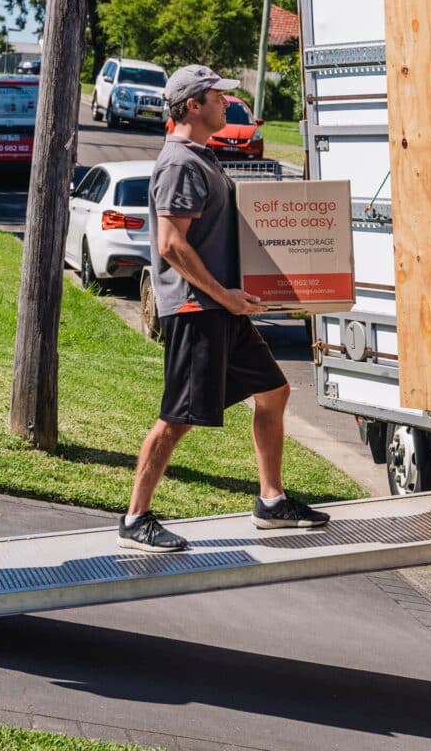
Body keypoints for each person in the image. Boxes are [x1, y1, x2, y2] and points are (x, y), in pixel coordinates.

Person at [117, 65, 330, 552]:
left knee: (273, 391)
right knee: (178, 417)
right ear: (192, 106)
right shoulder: (180, 164)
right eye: (216, 96)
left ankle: (272, 501)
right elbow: (171, 244)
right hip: (198, 310)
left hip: (222, 308)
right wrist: (224, 295)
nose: (226, 103)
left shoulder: (201, 156)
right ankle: (135, 519)